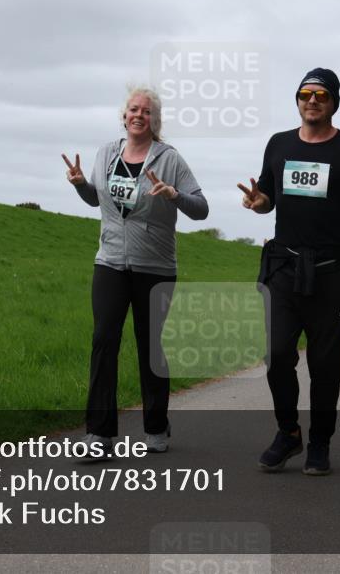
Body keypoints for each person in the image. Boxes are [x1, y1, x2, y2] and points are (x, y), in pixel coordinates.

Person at [238, 67, 340, 475]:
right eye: (305, 93)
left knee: (324, 364)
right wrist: (259, 202)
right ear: (298, 100)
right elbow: (268, 195)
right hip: (284, 267)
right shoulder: (278, 144)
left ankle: (320, 441)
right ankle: (288, 433)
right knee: (278, 355)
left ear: (334, 102)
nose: (312, 100)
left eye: (321, 95)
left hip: (329, 271)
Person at [64, 85, 209, 455]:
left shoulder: (170, 160)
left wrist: (175, 195)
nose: (138, 115)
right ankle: (99, 434)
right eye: (133, 109)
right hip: (110, 261)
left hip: (155, 267)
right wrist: (82, 184)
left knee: (149, 347)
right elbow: (97, 199)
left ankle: (156, 427)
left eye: (146, 111)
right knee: (103, 341)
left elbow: (201, 207)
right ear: (124, 116)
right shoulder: (107, 154)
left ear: (155, 120)